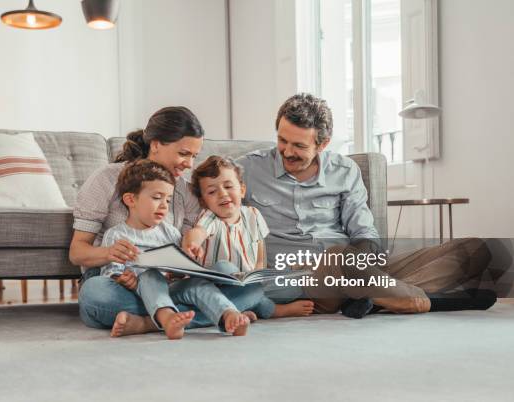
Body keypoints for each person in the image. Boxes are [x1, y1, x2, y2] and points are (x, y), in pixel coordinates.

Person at [233, 93, 495, 317]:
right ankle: (421, 300)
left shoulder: (345, 171)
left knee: (475, 249)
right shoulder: (248, 169)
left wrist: (366, 262)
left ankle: (373, 298)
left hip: (355, 268)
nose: (287, 151)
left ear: (322, 144)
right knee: (339, 256)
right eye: (282, 140)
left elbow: (363, 232)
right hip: (304, 279)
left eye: (299, 145)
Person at [70, 106, 263, 332]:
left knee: (249, 284)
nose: (189, 164)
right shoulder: (107, 179)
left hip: (171, 282)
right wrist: (109, 254)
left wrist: (191, 253)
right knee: (95, 295)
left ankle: (147, 322)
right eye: (183, 154)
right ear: (155, 145)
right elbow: (77, 252)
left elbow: (183, 252)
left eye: (193, 156)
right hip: (120, 281)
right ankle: (216, 311)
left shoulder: (185, 191)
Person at [101, 159, 252, 339]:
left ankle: (228, 315)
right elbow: (110, 272)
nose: (164, 205)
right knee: (150, 275)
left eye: (168, 199)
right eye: (157, 198)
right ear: (130, 199)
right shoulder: (116, 235)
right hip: (140, 291)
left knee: (197, 284)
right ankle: (168, 319)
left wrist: (184, 269)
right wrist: (125, 279)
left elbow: (179, 267)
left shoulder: (170, 231)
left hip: (172, 289)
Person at [183, 155, 314, 320]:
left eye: (228, 186)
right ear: (203, 201)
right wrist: (193, 243)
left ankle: (267, 310)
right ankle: (237, 309)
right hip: (217, 284)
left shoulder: (253, 215)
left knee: (259, 293)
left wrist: (257, 275)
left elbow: (260, 252)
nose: (222, 194)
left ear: (242, 190)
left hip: (246, 283)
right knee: (225, 268)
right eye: (212, 191)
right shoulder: (210, 217)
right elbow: (198, 231)